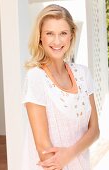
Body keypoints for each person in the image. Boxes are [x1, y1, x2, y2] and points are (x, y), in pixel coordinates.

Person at [22, 4, 100, 170]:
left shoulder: (83, 74)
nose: (57, 41)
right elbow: (43, 148)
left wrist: (69, 154)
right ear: (40, 37)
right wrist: (63, 161)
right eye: (50, 33)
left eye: (63, 33)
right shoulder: (36, 77)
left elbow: (94, 130)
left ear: (71, 35)